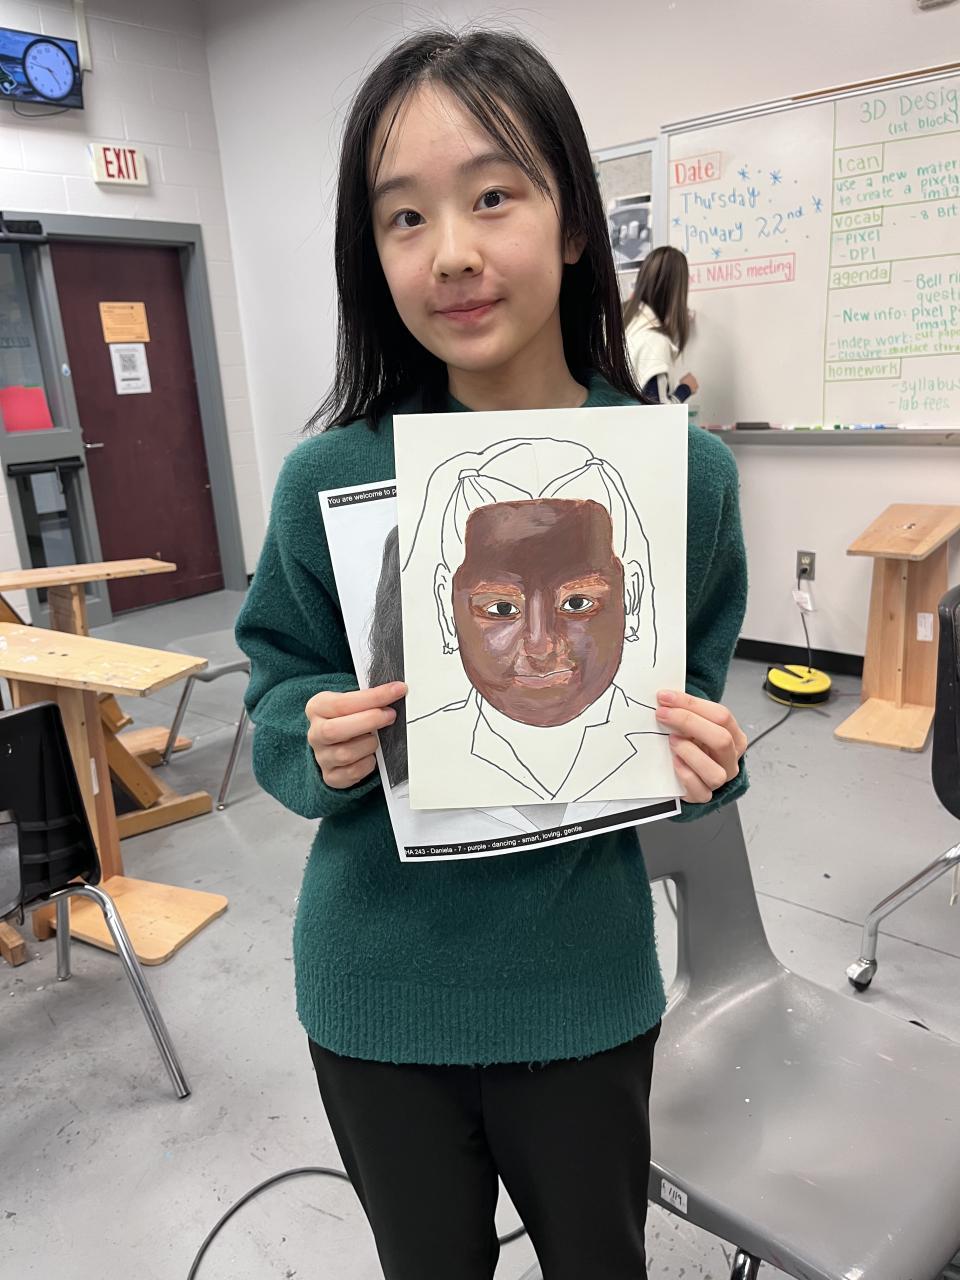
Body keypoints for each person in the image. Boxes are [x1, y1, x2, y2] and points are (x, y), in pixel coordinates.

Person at [235, 28, 749, 1280]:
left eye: (493, 196)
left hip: (582, 987)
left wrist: (707, 760)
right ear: (373, 252)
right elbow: (276, 689)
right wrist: (315, 735)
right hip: (377, 992)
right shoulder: (330, 477)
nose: (451, 251)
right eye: (404, 217)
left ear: (572, 223)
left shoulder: (680, 477)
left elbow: (688, 700)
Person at [402, 436, 674, 808]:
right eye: (501, 609)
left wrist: (704, 770)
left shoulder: (662, 741)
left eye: (577, 603)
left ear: (633, 597)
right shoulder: (415, 756)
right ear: (444, 608)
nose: (540, 645)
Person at [623, 244, 699, 405]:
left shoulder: (624, 320)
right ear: (677, 293)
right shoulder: (655, 342)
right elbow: (658, 413)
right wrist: (685, 389)